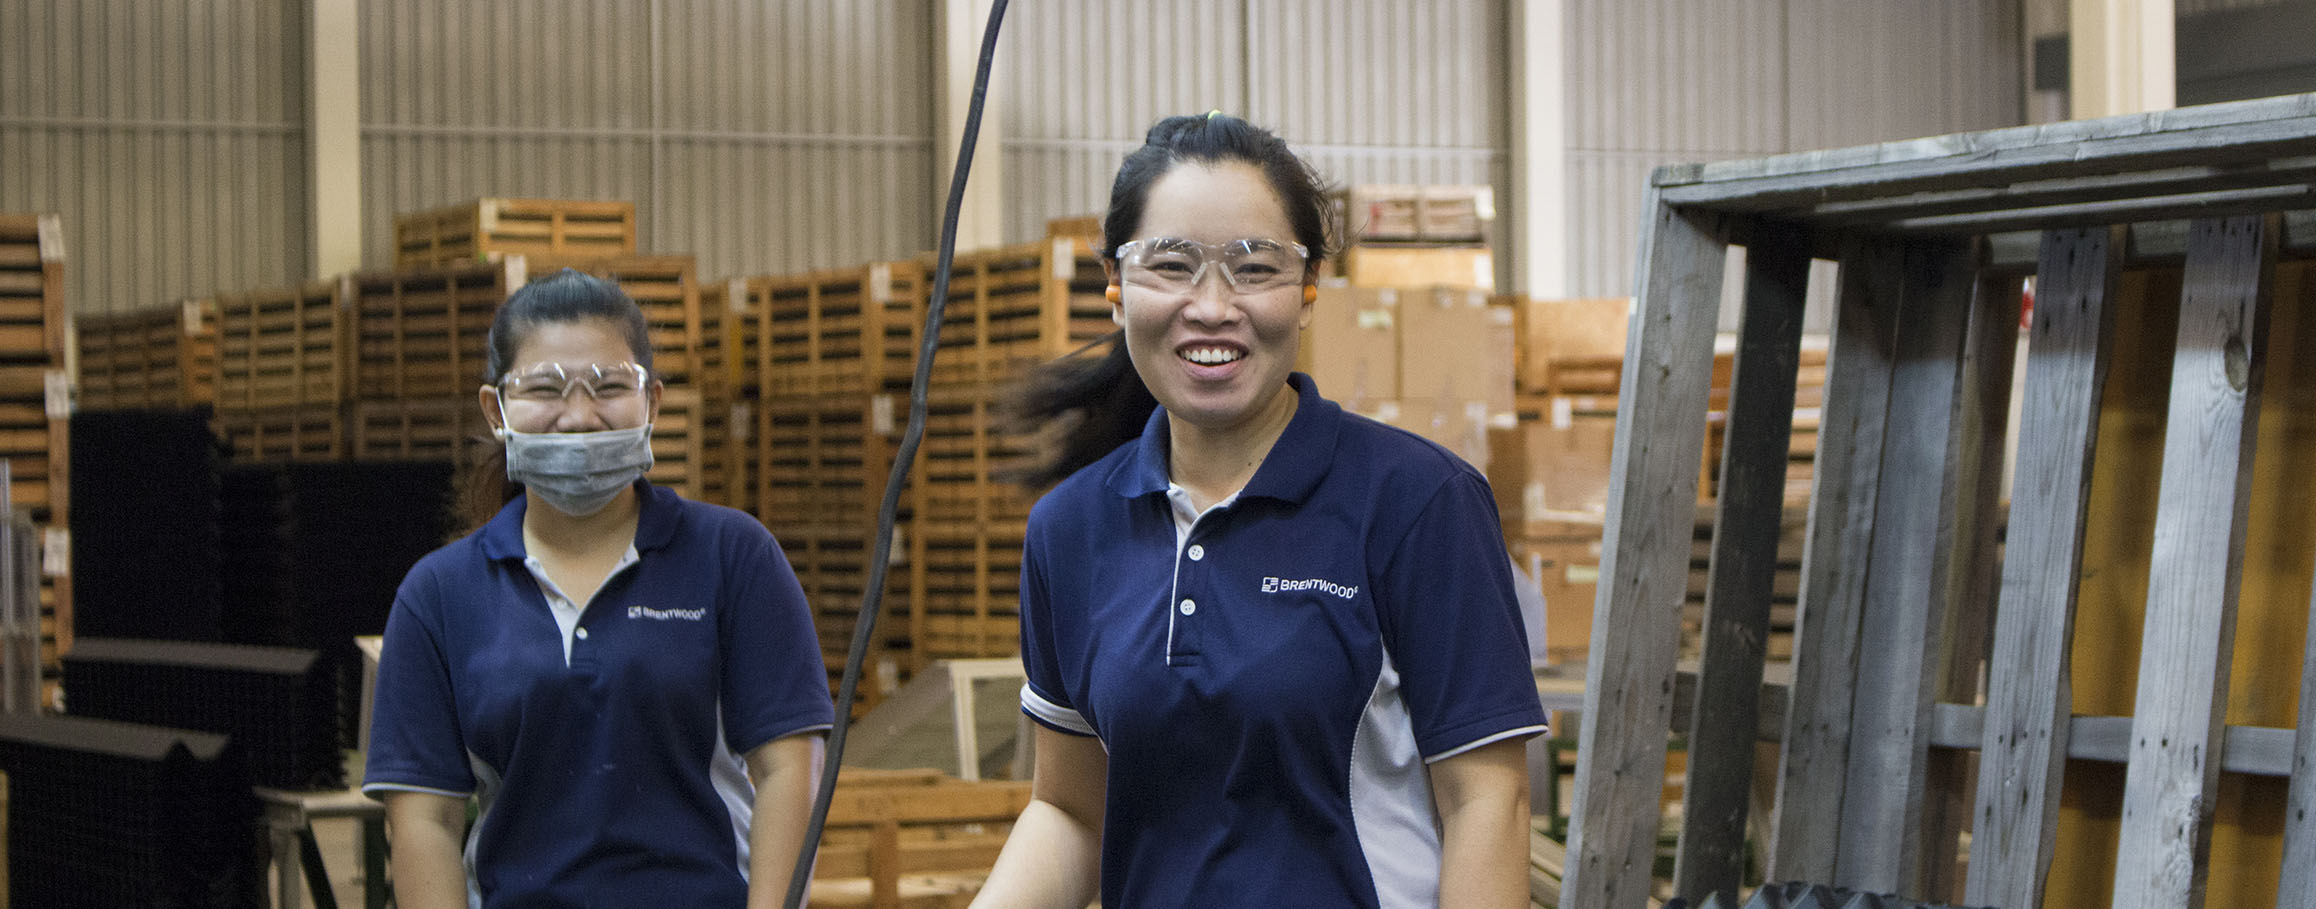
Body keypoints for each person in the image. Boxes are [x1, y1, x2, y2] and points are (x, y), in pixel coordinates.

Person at [975, 113, 1548, 908]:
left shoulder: (1418, 505)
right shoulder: (1071, 529)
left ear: (1309, 289)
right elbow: (1070, 811)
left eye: (1255, 268)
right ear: (1115, 285)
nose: (1212, 307)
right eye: (1171, 265)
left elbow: (1488, 802)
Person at [362, 270, 833, 908]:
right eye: (545, 388)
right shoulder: (439, 595)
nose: (580, 416)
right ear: (495, 411)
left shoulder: (733, 557)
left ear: (654, 405)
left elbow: (788, 771)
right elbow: (425, 822)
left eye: (610, 386)